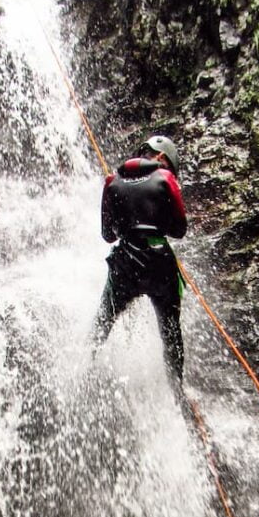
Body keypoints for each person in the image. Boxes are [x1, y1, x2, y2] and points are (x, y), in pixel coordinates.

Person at [91, 134, 188, 384]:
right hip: (159, 262)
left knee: (103, 321)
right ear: (163, 157)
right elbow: (179, 229)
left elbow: (107, 235)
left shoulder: (112, 181)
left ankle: (84, 366)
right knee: (170, 330)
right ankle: (177, 387)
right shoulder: (166, 179)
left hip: (125, 264)